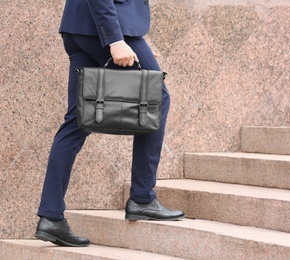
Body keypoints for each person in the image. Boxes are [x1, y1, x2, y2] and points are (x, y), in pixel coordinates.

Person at [34, 0, 185, 247]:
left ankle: (51, 217)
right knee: (156, 97)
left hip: (81, 26)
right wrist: (115, 40)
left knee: (76, 121)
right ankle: (143, 198)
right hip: (103, 26)